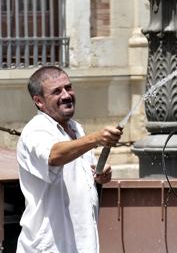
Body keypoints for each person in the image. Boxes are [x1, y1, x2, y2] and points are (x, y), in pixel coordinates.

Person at [16, 66, 123, 253]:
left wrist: (98, 176)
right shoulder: (35, 130)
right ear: (39, 101)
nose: (66, 95)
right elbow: (53, 155)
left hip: (83, 245)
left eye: (68, 87)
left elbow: (80, 174)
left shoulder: (77, 129)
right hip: (49, 247)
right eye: (56, 91)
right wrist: (96, 138)